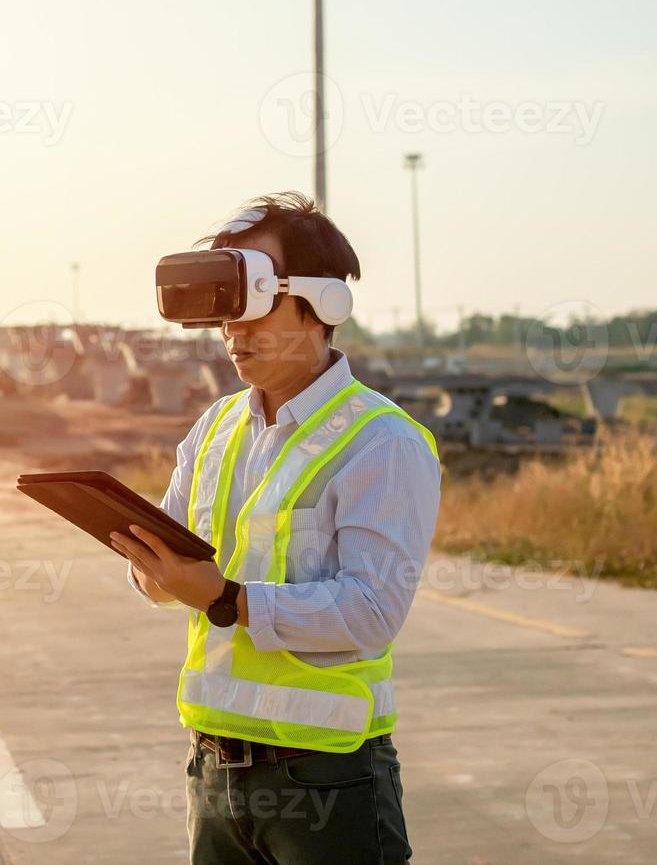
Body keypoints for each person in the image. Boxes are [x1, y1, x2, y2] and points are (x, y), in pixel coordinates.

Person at [111, 192, 441, 864]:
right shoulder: (216, 429)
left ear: (323, 304)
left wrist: (226, 597)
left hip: (327, 778)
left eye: (254, 301)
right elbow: (167, 583)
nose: (235, 330)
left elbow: (371, 611)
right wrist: (151, 567)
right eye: (225, 308)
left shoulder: (381, 442)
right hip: (213, 773)